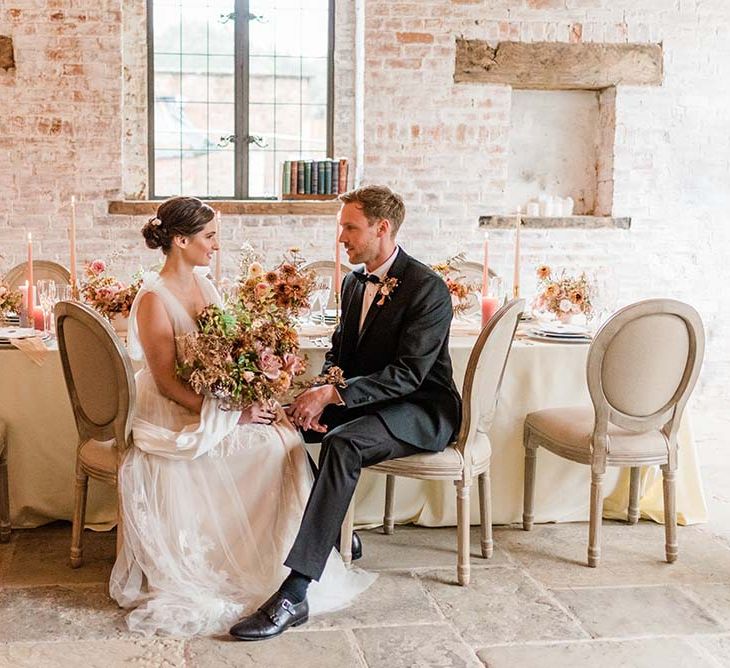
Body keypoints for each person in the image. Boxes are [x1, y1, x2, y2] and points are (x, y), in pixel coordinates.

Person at [109, 196, 375, 637]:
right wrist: (230, 416)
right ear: (180, 240)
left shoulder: (206, 285)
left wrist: (257, 383)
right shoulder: (154, 300)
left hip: (213, 397)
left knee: (284, 434)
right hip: (177, 409)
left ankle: (299, 554)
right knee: (267, 443)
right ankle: (248, 558)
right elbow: (166, 383)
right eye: (209, 236)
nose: (215, 245)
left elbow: (227, 352)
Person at [229, 185, 462, 641]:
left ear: (382, 228)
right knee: (280, 422)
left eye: (350, 228)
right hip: (370, 399)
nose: (341, 238)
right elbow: (340, 355)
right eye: (341, 228)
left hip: (421, 409)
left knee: (342, 442)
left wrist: (333, 399)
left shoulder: (428, 289)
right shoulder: (354, 282)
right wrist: (320, 388)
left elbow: (409, 375)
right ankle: (331, 529)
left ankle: (295, 593)